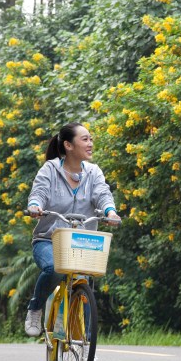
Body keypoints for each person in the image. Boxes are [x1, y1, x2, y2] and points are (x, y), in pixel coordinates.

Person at [24, 122, 120, 340]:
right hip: (48, 239)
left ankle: (85, 341)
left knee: (82, 282)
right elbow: (38, 192)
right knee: (54, 268)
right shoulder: (50, 169)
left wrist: (110, 212)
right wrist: (35, 207)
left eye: (91, 139)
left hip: (81, 241)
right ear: (68, 145)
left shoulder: (93, 172)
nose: (90, 143)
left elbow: (103, 193)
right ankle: (35, 308)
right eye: (84, 139)